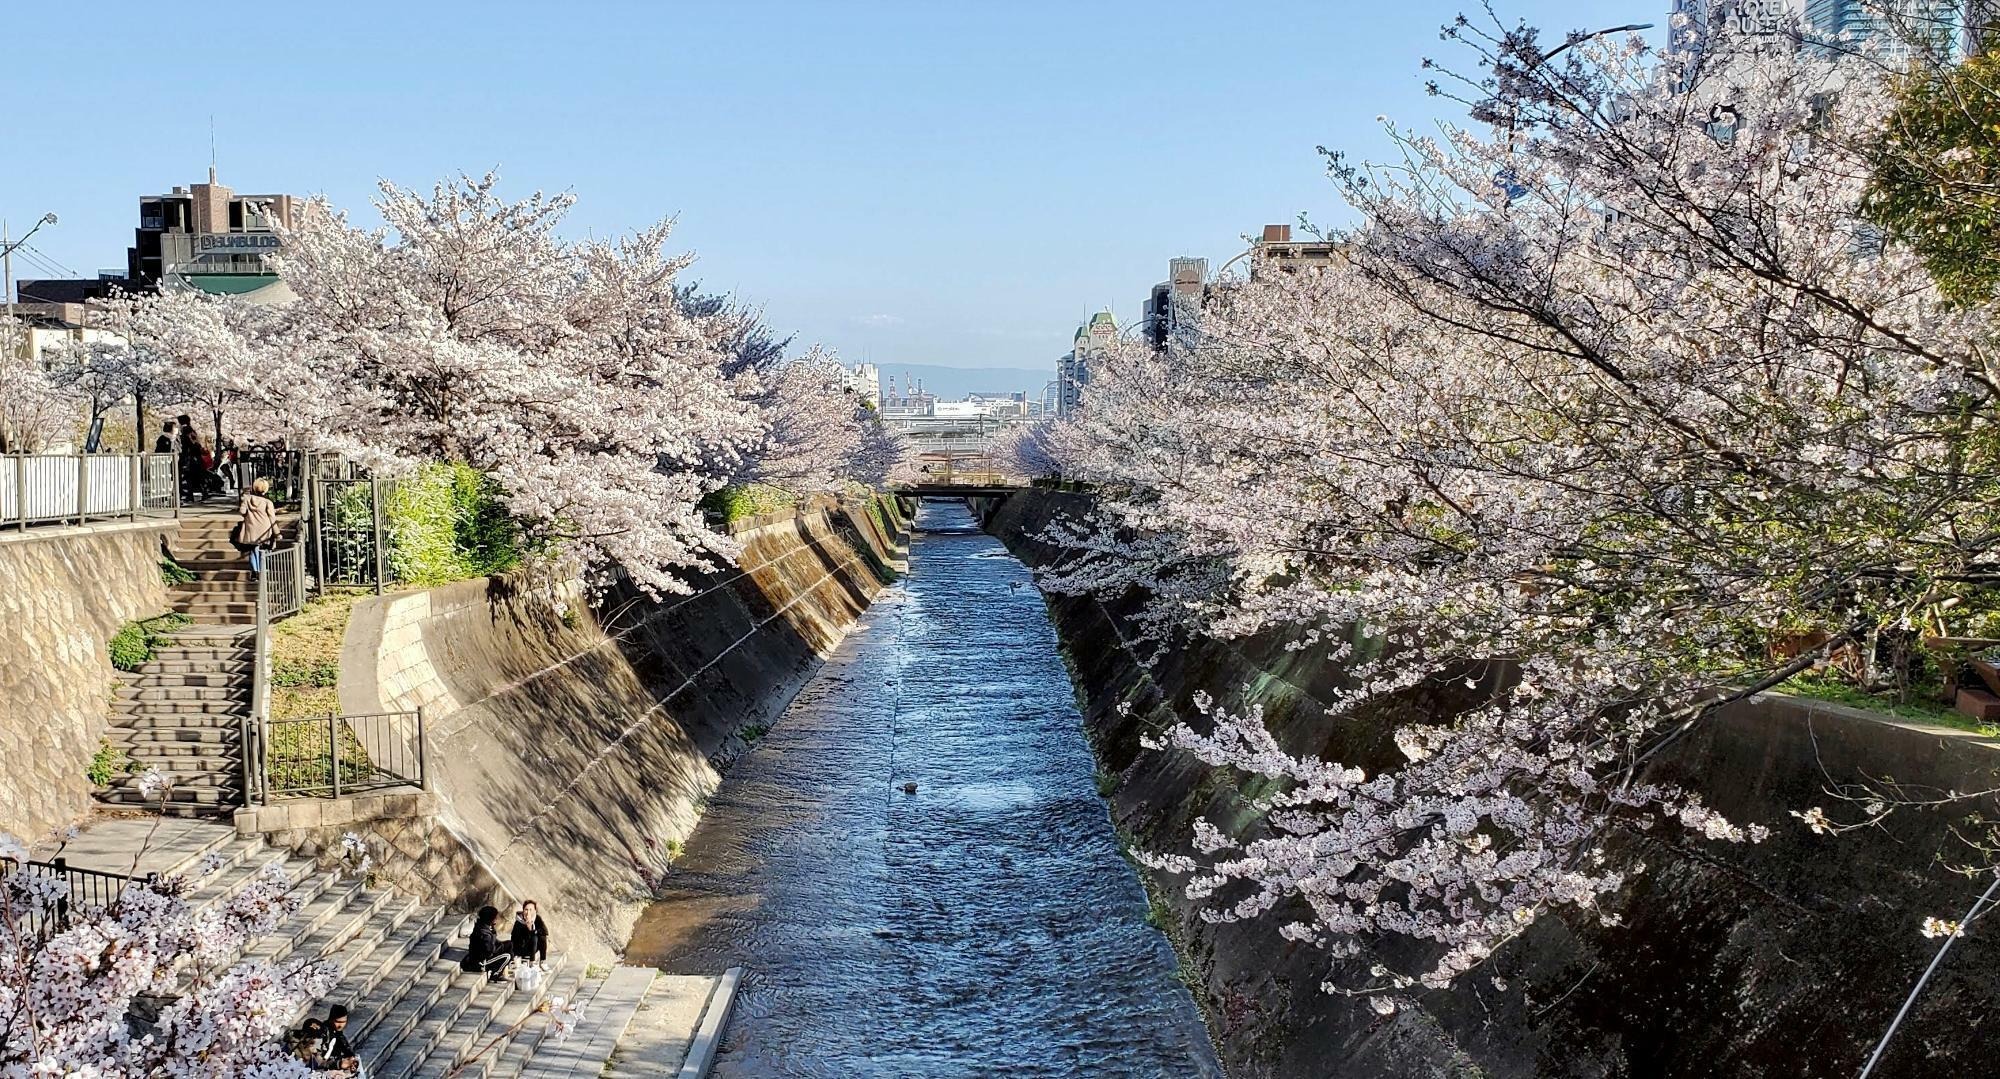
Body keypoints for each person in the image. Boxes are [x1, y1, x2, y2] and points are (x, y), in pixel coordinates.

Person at [235, 477, 280, 573]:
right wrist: (277, 533)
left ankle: (255, 572)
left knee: (252, 550)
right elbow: (272, 519)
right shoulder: (268, 502)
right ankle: (262, 570)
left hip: (251, 528)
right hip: (264, 529)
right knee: (262, 551)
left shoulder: (247, 499)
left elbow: (242, 512)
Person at [462, 905, 508, 982]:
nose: (496, 919)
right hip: (480, 962)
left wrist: (500, 945)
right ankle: (495, 974)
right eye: (495, 918)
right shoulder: (484, 933)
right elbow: (489, 951)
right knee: (508, 956)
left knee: (508, 945)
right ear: (490, 919)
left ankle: (500, 971)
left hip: (485, 954)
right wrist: (497, 945)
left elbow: (494, 943)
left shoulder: (484, 927)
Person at [315, 1004, 362, 1076]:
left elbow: (345, 1047)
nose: (341, 1025)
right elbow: (318, 1062)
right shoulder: (322, 1034)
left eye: (343, 1022)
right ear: (331, 1020)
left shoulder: (337, 1033)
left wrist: (351, 1058)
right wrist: (339, 1064)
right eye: (338, 1022)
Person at [509, 900, 549, 966]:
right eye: (526, 910)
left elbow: (545, 931)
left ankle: (543, 961)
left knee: (542, 937)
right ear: (523, 910)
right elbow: (515, 939)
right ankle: (532, 962)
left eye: (531, 910)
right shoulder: (519, 921)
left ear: (535, 911)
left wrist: (533, 929)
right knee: (534, 937)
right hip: (521, 948)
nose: (528, 912)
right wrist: (528, 928)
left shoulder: (537, 918)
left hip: (533, 947)